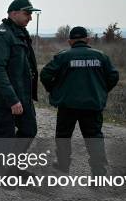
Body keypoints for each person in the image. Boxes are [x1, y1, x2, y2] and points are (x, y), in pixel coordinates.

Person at [40, 26, 119, 176]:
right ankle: (98, 173)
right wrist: (100, 91)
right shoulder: (101, 56)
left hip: (67, 104)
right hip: (92, 105)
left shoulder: (63, 56)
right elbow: (113, 76)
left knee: (63, 136)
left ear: (70, 41)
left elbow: (45, 74)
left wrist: (55, 90)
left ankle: (63, 166)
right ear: (87, 40)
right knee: (94, 137)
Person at [0, 0, 40, 181]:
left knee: (29, 129)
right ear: (13, 13)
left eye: (31, 14)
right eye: (27, 13)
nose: (30, 18)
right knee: (5, 134)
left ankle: (13, 168)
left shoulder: (19, 33)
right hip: (5, 96)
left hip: (21, 93)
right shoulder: (3, 35)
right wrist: (12, 99)